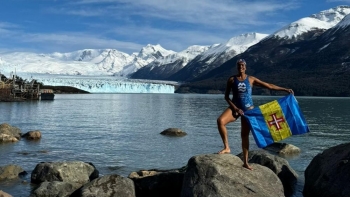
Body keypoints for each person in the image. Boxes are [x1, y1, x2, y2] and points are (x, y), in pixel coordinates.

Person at [217, 59, 293, 170]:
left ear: (245, 67)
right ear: (237, 67)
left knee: (244, 135)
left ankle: (246, 162)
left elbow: (269, 86)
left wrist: (285, 89)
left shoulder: (251, 79)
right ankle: (227, 147)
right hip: (235, 108)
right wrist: (235, 108)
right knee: (220, 121)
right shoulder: (232, 80)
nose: (241, 67)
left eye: (242, 65)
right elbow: (226, 97)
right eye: (239, 66)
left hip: (248, 111)